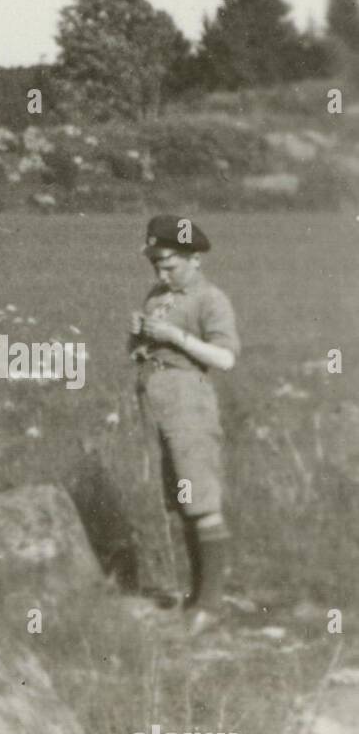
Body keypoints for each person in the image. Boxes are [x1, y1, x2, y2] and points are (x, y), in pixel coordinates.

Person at [129, 214, 240, 635]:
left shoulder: (211, 299)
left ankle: (211, 604)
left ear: (194, 259)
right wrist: (138, 337)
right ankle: (197, 596)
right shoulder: (157, 295)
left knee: (201, 498)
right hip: (159, 401)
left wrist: (175, 338)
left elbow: (226, 358)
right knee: (181, 498)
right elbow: (145, 349)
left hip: (189, 402)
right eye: (155, 264)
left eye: (170, 265)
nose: (161, 273)